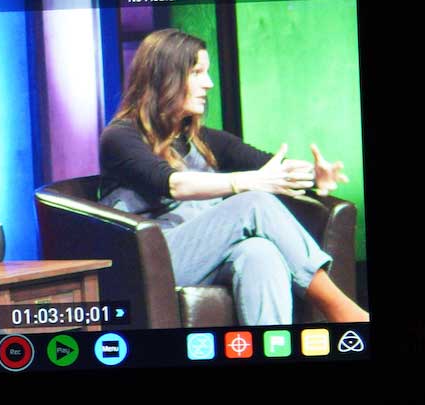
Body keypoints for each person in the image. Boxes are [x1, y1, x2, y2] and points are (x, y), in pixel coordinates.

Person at [98, 28, 368, 327]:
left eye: (208, 72)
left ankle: (273, 347)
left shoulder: (202, 139)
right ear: (166, 76)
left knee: (258, 253)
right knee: (253, 203)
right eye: (197, 72)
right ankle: (340, 309)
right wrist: (246, 182)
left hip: (206, 255)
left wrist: (313, 178)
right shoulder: (120, 137)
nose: (209, 84)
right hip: (154, 261)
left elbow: (267, 165)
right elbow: (173, 183)